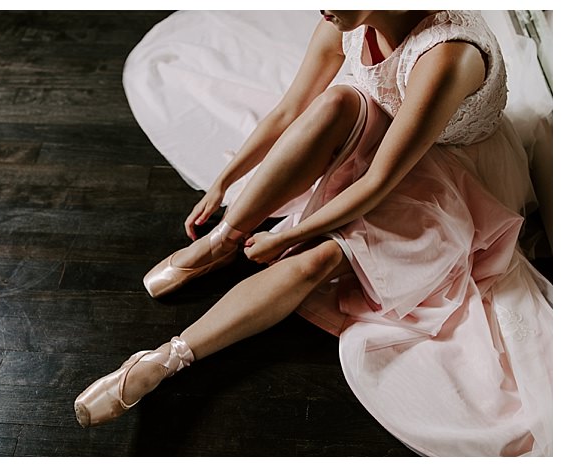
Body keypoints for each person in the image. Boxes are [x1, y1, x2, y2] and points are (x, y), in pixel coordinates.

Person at [74, 10, 552, 456]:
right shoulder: (344, 18)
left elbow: (379, 180)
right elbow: (289, 112)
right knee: (338, 101)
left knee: (322, 257)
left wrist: (289, 236)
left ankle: (161, 361)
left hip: (455, 179)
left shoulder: (446, 55)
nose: (323, 8)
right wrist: (226, 182)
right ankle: (220, 242)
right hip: (391, 139)